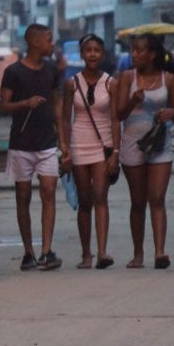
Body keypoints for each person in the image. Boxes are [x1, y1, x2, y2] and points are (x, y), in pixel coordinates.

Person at [0, 23, 64, 271]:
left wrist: (63, 141)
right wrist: (25, 103)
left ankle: (46, 251)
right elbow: (4, 105)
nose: (52, 44)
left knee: (49, 190)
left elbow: (57, 105)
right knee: (23, 196)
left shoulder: (51, 70)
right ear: (34, 42)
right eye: (49, 39)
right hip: (21, 143)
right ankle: (28, 251)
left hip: (47, 142)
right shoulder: (13, 72)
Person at [116, 34, 174, 270]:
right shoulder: (126, 77)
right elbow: (119, 114)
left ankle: (160, 251)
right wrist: (133, 100)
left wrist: (171, 113)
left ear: (152, 54)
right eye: (132, 50)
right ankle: (138, 253)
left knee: (157, 198)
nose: (134, 54)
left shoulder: (169, 79)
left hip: (159, 143)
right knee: (137, 201)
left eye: (139, 50)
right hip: (133, 142)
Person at [59, 33, 120, 270]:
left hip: (102, 146)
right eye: (88, 50)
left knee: (100, 197)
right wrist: (64, 146)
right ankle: (86, 254)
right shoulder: (71, 83)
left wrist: (116, 151)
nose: (92, 54)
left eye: (96, 50)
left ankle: (103, 252)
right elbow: (65, 119)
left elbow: (115, 120)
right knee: (84, 201)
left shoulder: (110, 83)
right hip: (78, 145)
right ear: (82, 54)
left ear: (102, 54)